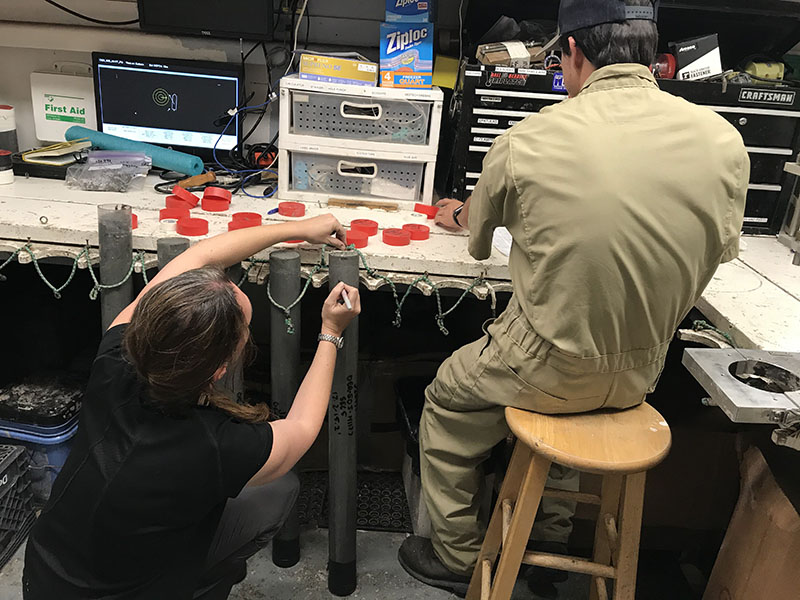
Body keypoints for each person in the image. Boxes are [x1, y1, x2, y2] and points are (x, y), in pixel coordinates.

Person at [398, 0, 749, 595]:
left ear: (574, 53)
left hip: (544, 361)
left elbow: (479, 241)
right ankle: (548, 541)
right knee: (572, 407)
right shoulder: (723, 141)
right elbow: (719, 251)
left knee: (448, 404)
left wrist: (456, 212)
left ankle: (458, 557)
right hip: (641, 373)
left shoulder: (530, 137)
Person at [23, 214, 361, 600]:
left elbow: (200, 256)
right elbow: (301, 428)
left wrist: (297, 229)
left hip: (44, 578)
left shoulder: (117, 357)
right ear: (219, 369)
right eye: (246, 330)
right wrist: (331, 332)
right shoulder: (215, 446)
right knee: (277, 489)